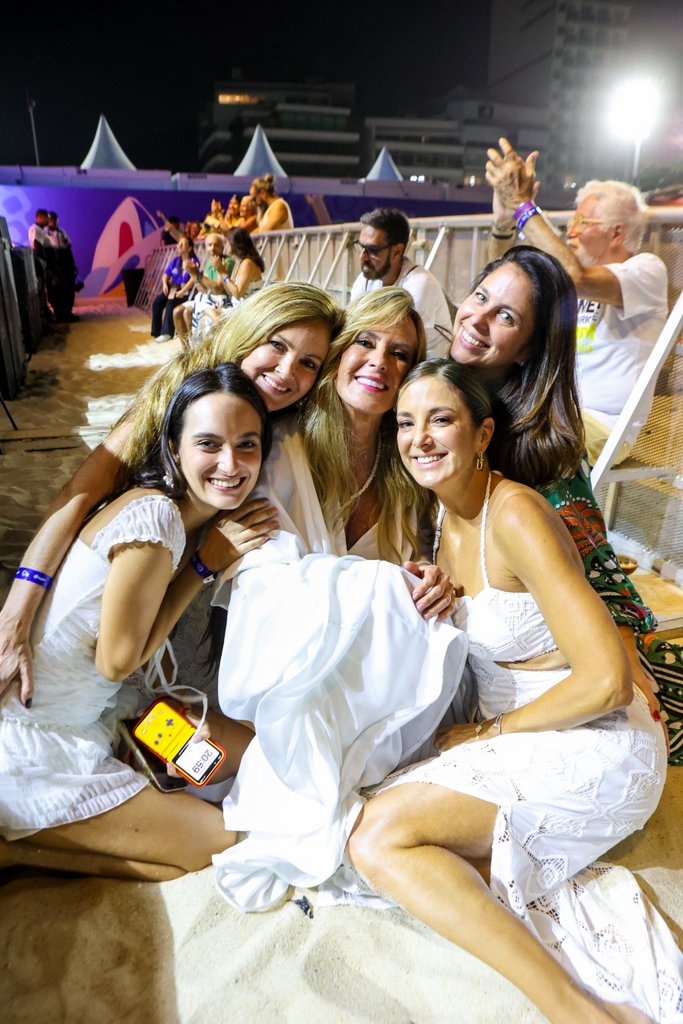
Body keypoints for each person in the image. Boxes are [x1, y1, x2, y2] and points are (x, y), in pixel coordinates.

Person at [345, 359, 680, 1023]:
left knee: (377, 838)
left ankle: (574, 1009)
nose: (419, 438)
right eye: (406, 423)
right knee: (366, 822)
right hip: (526, 731)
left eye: (441, 420)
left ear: (482, 434)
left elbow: (608, 682)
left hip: (593, 738)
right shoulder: (436, 514)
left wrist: (486, 732)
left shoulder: (516, 513)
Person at [211, 287, 461, 909]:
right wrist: (379, 586)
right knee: (206, 771)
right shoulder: (280, 446)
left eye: (400, 353)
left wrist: (429, 579)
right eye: (365, 342)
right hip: (277, 669)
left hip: (365, 678)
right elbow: (261, 578)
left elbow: (418, 570)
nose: (380, 361)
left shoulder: (407, 467)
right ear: (338, 354)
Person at [0, 283, 343, 708]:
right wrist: (15, 616)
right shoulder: (180, 398)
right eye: (277, 344)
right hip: (117, 585)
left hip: (139, 609)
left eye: (308, 363)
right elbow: (79, 495)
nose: (288, 371)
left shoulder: (287, 425)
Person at [0, 364, 276, 881]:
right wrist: (201, 568)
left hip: (94, 715)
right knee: (213, 842)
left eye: (247, 445)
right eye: (209, 444)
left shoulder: (168, 513)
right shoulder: (157, 518)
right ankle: (14, 852)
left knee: (236, 753)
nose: (230, 464)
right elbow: (116, 662)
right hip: (35, 741)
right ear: (174, 448)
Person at [448, 244, 683, 761]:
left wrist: (623, 645)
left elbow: (590, 547)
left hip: (529, 656)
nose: (478, 319)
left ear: (528, 348)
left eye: (506, 317)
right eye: (480, 297)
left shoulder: (535, 442)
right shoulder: (431, 386)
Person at [485, 138, 669, 465]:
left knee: (497, 437)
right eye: (572, 221)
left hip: (601, 425)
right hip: (553, 408)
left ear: (616, 233)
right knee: (465, 408)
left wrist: (523, 206)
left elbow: (577, 277)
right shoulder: (567, 273)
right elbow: (498, 278)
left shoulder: (646, 270)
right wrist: (504, 221)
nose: (570, 231)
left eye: (582, 222)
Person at [349, 207, 452, 358]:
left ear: (397, 251)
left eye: (372, 250)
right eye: (361, 246)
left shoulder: (419, 285)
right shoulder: (365, 280)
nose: (362, 256)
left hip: (429, 365)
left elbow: (405, 345)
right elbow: (351, 329)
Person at [150, 237, 199, 342]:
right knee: (157, 302)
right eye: (179, 243)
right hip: (173, 288)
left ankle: (167, 333)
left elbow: (193, 279)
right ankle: (156, 332)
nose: (179, 245)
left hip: (186, 291)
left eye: (183, 244)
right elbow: (165, 275)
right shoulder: (176, 261)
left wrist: (182, 291)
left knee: (171, 302)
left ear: (189, 248)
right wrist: (164, 284)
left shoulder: (193, 261)